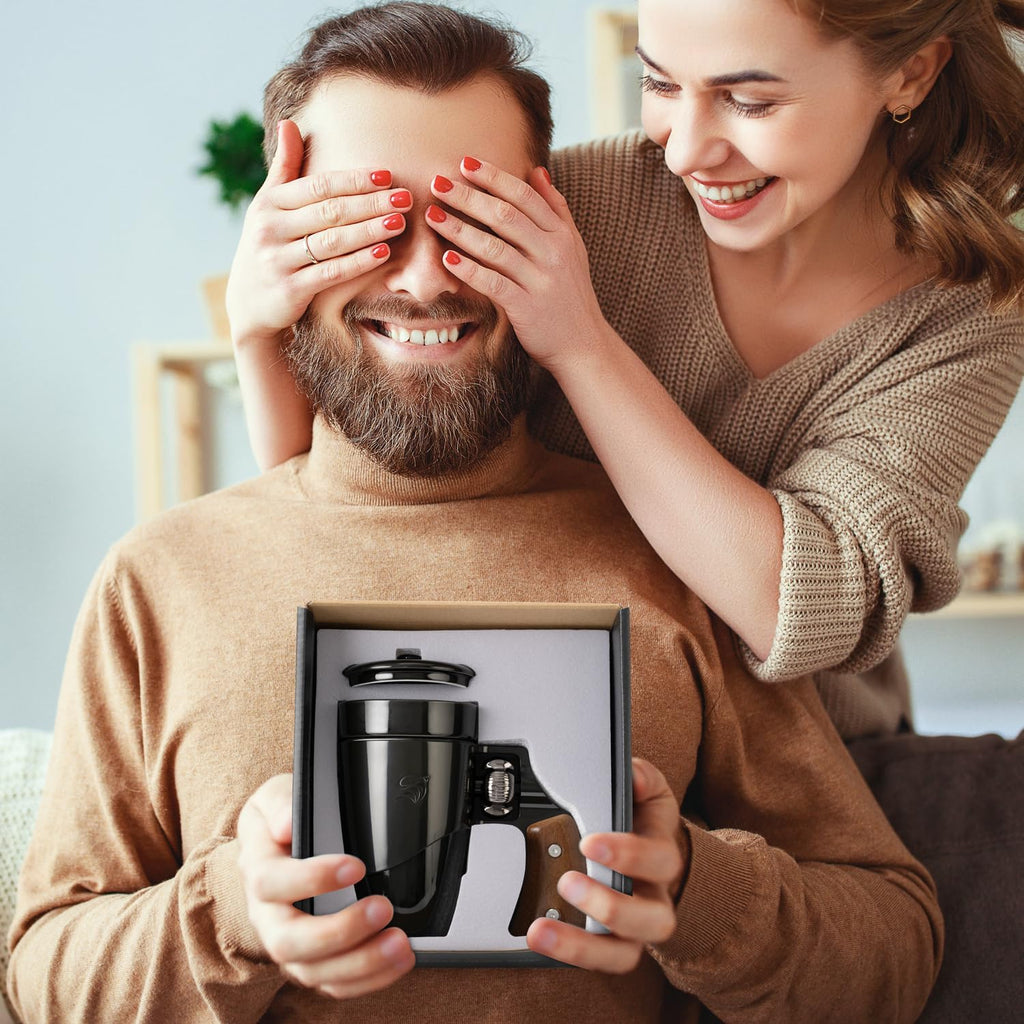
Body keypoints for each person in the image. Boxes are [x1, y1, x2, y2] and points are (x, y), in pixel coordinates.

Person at [8, 6, 943, 1022]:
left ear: (555, 233)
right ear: (284, 239)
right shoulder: (162, 578)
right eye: (363, 223)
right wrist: (234, 908)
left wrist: (694, 887)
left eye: (473, 222)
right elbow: (41, 976)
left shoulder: (682, 560)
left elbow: (892, 947)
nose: (422, 278)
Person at [227, 0, 1024, 740]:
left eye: (750, 101)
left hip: (817, 759)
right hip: (554, 724)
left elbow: (808, 614)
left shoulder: (972, 311)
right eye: (660, 83)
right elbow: (355, 499)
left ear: (911, 73)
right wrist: (256, 329)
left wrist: (583, 345)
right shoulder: (570, 205)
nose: (685, 149)